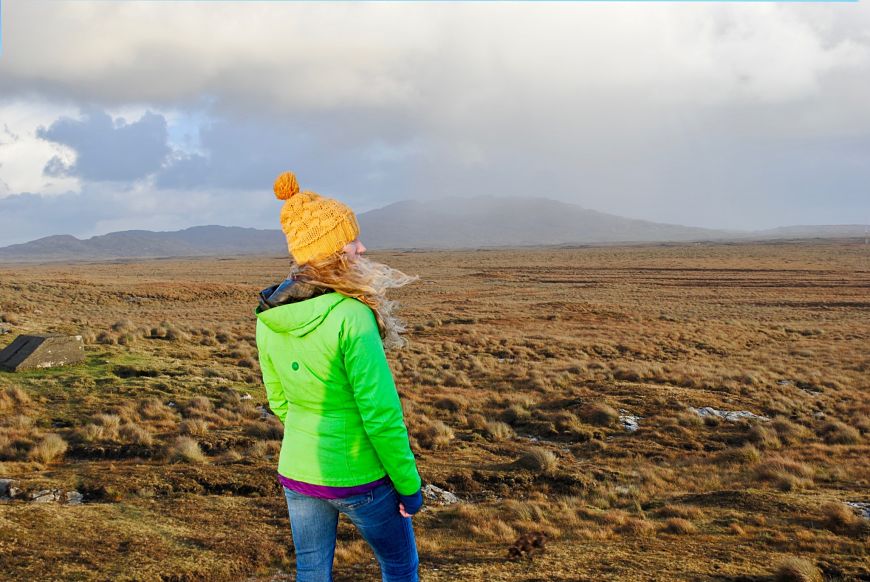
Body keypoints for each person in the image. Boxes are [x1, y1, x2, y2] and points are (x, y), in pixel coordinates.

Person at [254, 171, 424, 582]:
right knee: (400, 566)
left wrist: (309, 434)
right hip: (358, 472)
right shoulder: (353, 315)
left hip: (298, 470)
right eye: (352, 240)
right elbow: (380, 415)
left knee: (311, 570)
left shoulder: (269, 316)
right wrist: (409, 486)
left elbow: (278, 400)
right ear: (331, 251)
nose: (362, 247)